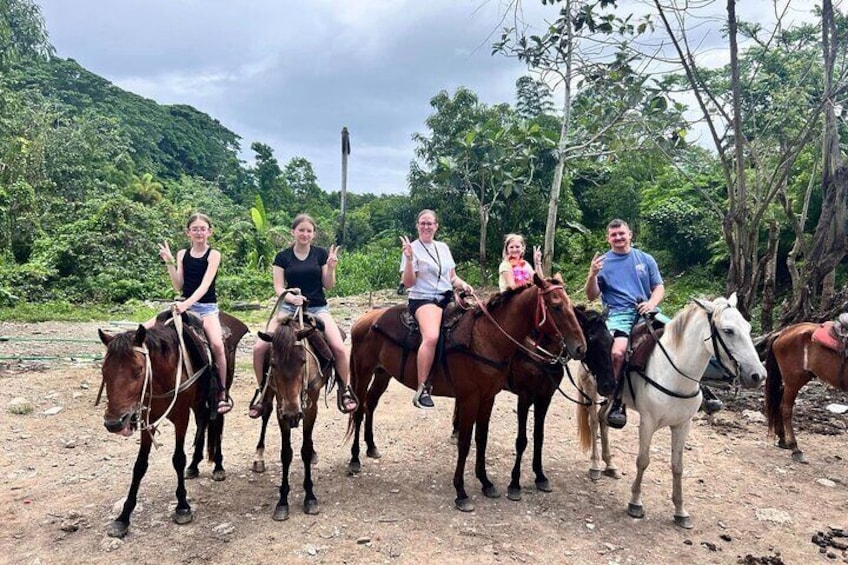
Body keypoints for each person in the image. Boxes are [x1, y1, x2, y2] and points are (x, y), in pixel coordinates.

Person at [249, 214, 358, 417]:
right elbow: (278, 287)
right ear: (293, 232)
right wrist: (290, 298)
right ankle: (262, 392)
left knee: (340, 348)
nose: (305, 234)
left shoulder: (320, 254)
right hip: (287, 309)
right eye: (301, 230)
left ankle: (345, 390)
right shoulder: (283, 257)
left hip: (317, 308)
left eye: (309, 231)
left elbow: (328, 285)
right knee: (259, 347)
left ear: (313, 234)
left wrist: (332, 267)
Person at [585, 219, 665, 429]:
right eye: (614, 235)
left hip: (646, 310)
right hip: (618, 314)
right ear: (608, 238)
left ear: (630, 234)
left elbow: (659, 287)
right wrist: (592, 274)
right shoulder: (603, 263)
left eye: (622, 233)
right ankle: (616, 399)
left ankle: (702, 389)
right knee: (618, 352)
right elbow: (592, 295)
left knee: (681, 336)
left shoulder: (645, 259)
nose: (618, 238)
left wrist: (651, 303)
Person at [155, 213, 231, 414]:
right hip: (184, 304)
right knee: (151, 330)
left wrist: (186, 305)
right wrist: (170, 262)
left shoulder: (213, 254)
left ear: (209, 232)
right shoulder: (182, 254)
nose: (199, 232)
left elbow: (205, 286)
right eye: (194, 229)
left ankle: (222, 392)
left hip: (206, 309)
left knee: (216, 344)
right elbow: (178, 285)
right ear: (188, 233)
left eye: (202, 228)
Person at [400, 209, 473, 409]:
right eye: (422, 223)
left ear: (436, 226)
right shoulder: (412, 248)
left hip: (447, 297)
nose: (426, 227)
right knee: (431, 336)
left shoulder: (443, 247)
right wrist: (408, 259)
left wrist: (464, 284)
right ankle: (422, 386)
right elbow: (408, 283)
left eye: (429, 223)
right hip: (423, 299)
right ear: (417, 225)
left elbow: (452, 277)